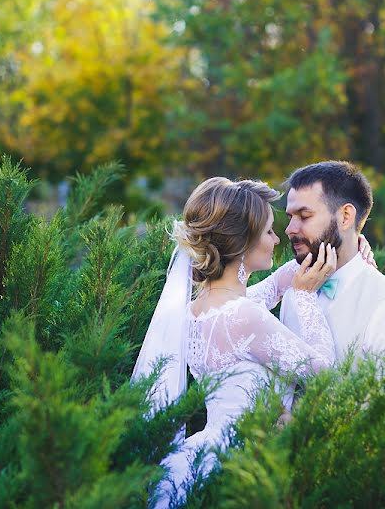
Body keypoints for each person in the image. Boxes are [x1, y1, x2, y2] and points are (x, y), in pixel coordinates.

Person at [132, 176, 339, 508]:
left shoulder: (197, 311)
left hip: (204, 457)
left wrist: (341, 251)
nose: (276, 239)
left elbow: (269, 289)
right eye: (270, 231)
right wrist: (303, 296)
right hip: (243, 464)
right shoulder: (243, 318)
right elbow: (325, 373)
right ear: (245, 242)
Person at [279, 161, 385, 366]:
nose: (290, 229)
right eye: (290, 217)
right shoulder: (292, 295)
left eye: (304, 216)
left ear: (346, 217)